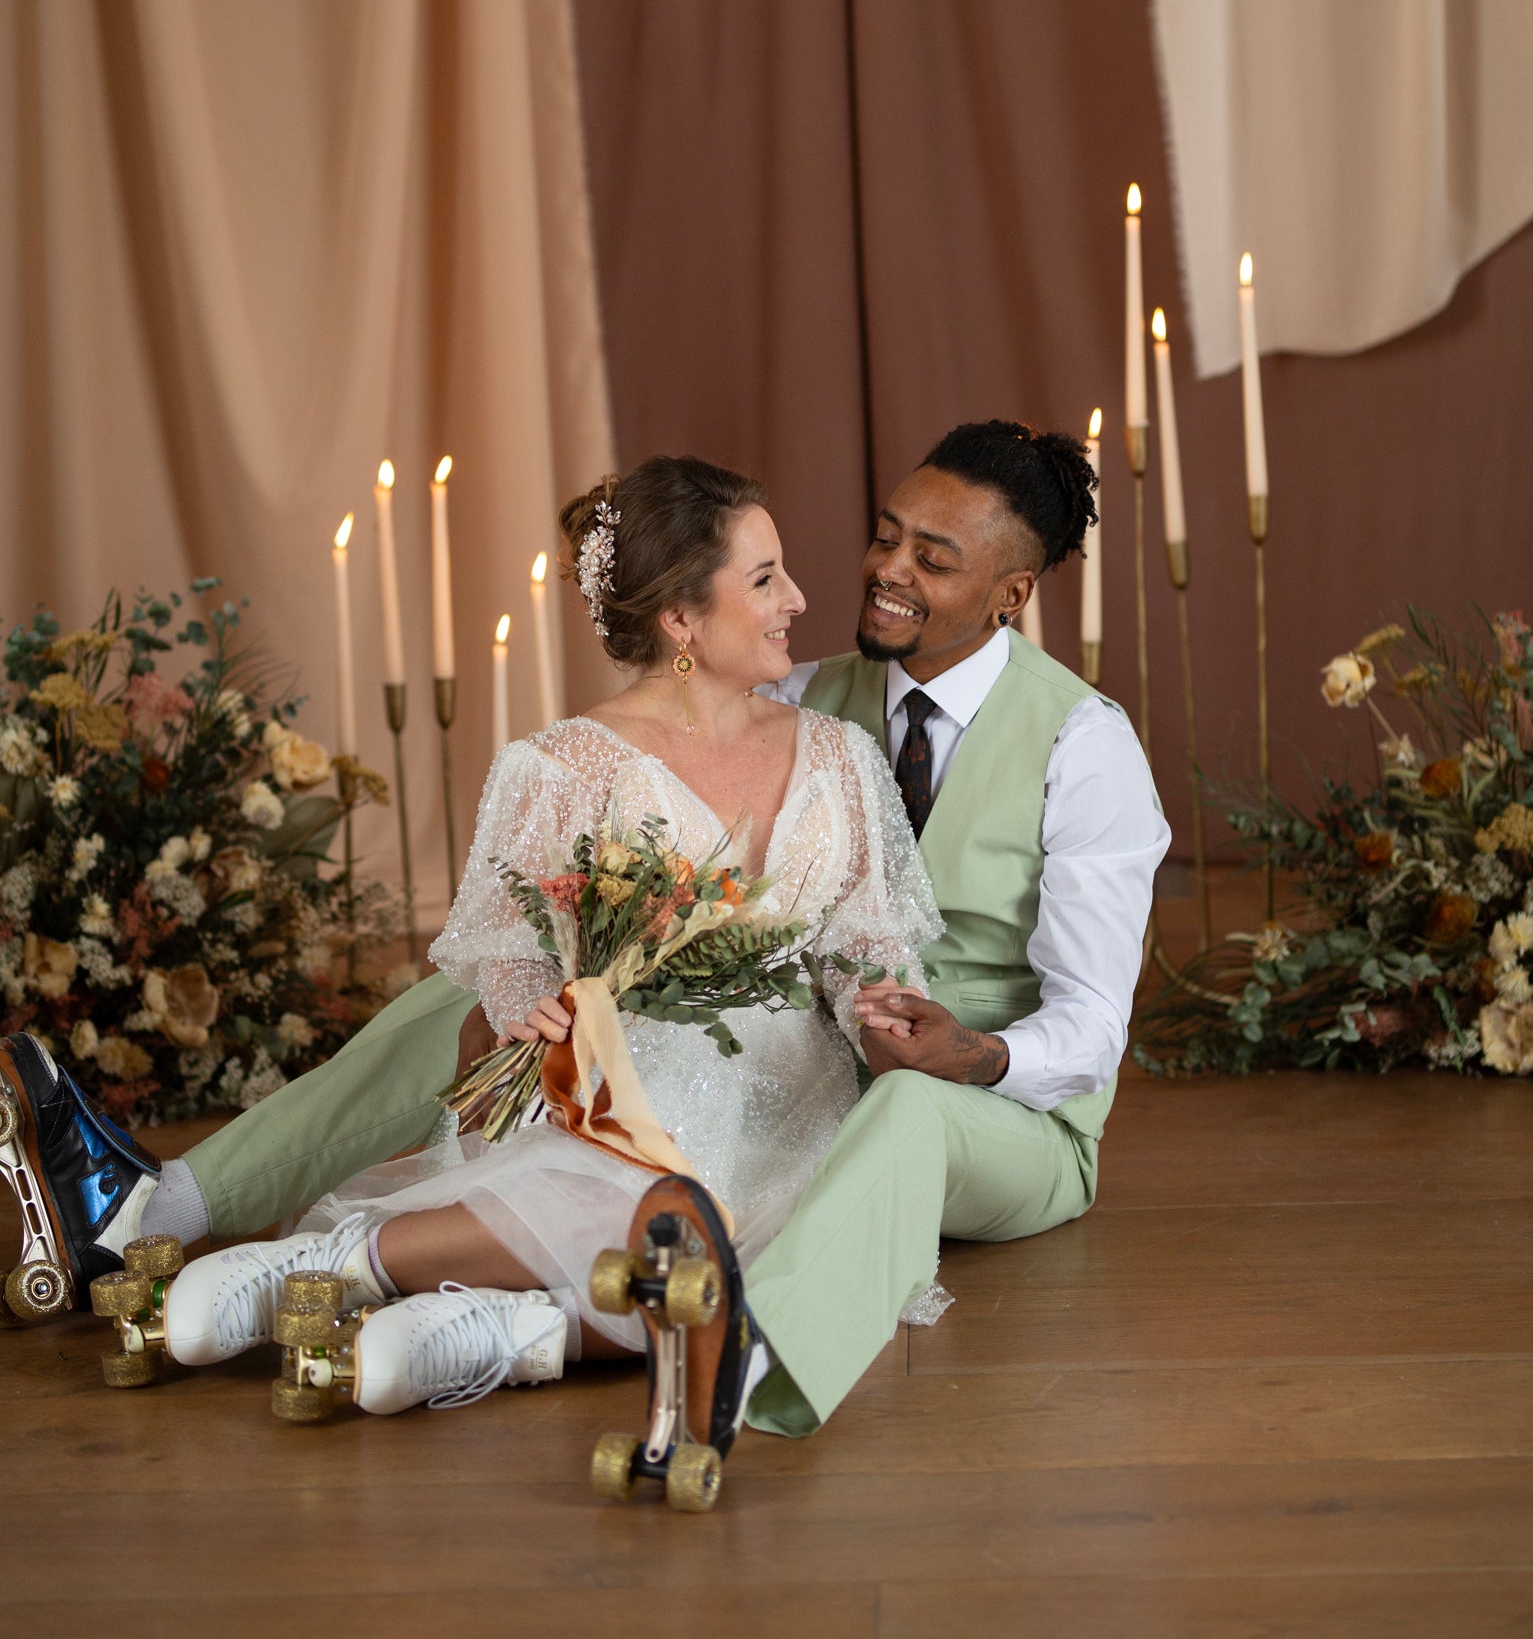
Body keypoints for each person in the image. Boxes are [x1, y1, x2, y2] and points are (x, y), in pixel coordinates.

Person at [3, 418, 1168, 1449]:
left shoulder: (1085, 746)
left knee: (881, 1112)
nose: (879, 571)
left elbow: (1087, 1031)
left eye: (932, 557)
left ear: (1012, 594)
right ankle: (162, 1214)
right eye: (885, 534)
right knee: (467, 1009)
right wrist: (546, 1007)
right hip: (811, 1051)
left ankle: (743, 1358)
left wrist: (967, 1053)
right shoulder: (813, 700)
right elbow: (714, 778)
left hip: (998, 1105)